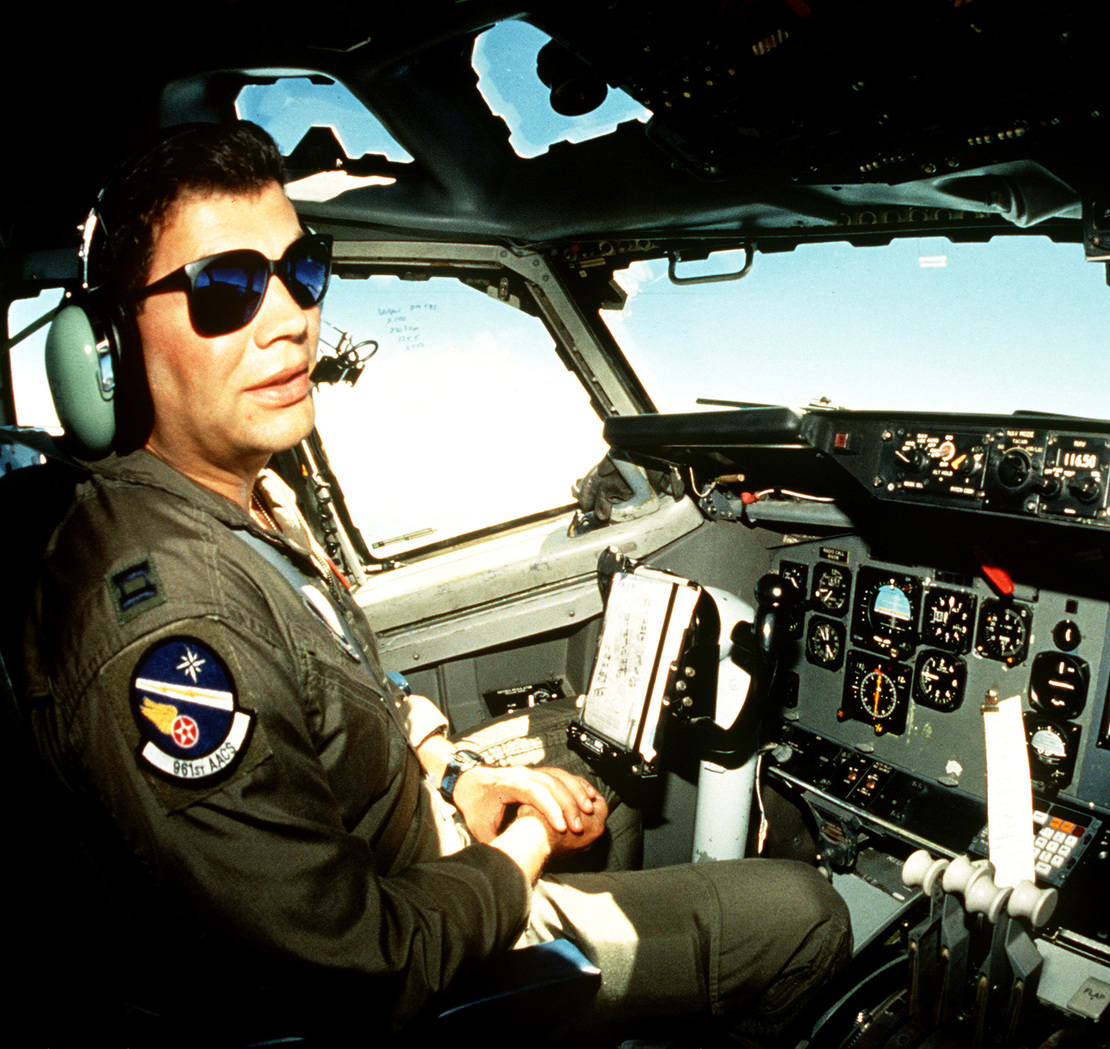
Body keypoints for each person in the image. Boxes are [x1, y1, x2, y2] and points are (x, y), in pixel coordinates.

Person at [24, 121, 849, 1041]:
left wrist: (458, 776)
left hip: (416, 846)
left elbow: (346, 678)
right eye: (226, 288)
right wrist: (518, 853)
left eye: (301, 269)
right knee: (804, 914)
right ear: (109, 348)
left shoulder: (244, 498)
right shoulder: (177, 631)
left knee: (594, 774)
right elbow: (360, 972)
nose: (292, 317)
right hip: (398, 957)